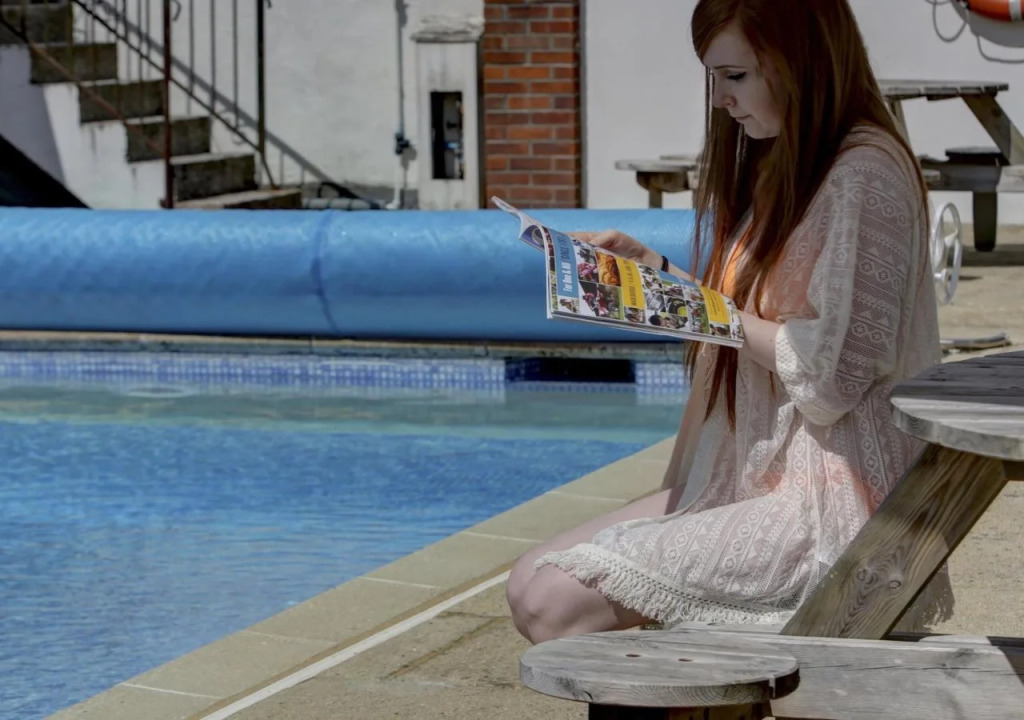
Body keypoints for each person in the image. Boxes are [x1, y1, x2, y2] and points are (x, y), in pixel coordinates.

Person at [506, 0, 947, 645]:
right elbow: (754, 317)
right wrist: (655, 272)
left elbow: (834, 377)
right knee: (525, 582)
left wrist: (714, 315)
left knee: (552, 602)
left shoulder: (866, 175)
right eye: (714, 78)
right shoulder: (787, 161)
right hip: (752, 477)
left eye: (735, 76)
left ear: (801, 62)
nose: (720, 100)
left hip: (830, 506)